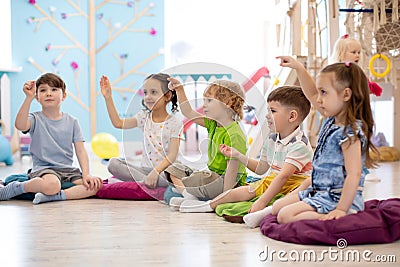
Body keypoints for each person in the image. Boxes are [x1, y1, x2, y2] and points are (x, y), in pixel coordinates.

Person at [178, 86, 313, 226]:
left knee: (289, 198)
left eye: (272, 111)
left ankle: (263, 212)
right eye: (267, 110)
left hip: (294, 185)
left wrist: (262, 201)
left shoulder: (299, 145)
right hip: (272, 181)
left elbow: (284, 176)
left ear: (292, 116)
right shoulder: (271, 139)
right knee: (236, 193)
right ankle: (206, 206)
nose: (267, 115)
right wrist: (237, 155)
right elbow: (261, 169)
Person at [271, 56, 378, 223]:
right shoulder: (331, 118)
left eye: (324, 92)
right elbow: (311, 93)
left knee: (285, 216)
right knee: (278, 207)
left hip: (336, 199)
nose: (318, 99)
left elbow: (354, 174)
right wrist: (298, 68)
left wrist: (341, 209)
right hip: (320, 190)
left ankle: (342, 217)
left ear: (346, 94)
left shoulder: (350, 133)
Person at [0, 73, 103, 204]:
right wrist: (28, 98)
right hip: (44, 169)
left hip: (68, 170)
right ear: (37, 97)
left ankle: (54, 196)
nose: (49, 93)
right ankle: (15, 188)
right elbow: (20, 125)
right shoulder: (35, 119)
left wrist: (86, 174)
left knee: (95, 186)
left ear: (63, 95)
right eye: (43, 90)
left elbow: (81, 151)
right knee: (53, 185)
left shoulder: (73, 122)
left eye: (54, 89)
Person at [165, 77, 248, 209]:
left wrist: (225, 199)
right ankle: (190, 197)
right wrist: (180, 89)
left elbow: (232, 172)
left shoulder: (234, 134)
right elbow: (188, 112)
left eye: (209, 100)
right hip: (212, 178)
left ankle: (194, 198)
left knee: (197, 178)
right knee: (174, 169)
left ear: (228, 102)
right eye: (204, 100)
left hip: (226, 182)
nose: (204, 105)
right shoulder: (213, 124)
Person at [100, 73, 182, 189]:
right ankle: (146, 182)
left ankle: (146, 182)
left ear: (167, 96)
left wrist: (156, 172)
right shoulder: (143, 117)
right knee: (113, 163)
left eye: (153, 92)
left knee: (175, 175)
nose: (147, 97)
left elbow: (172, 155)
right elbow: (118, 123)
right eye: (145, 93)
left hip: (165, 172)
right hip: (145, 171)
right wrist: (108, 98)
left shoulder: (175, 123)